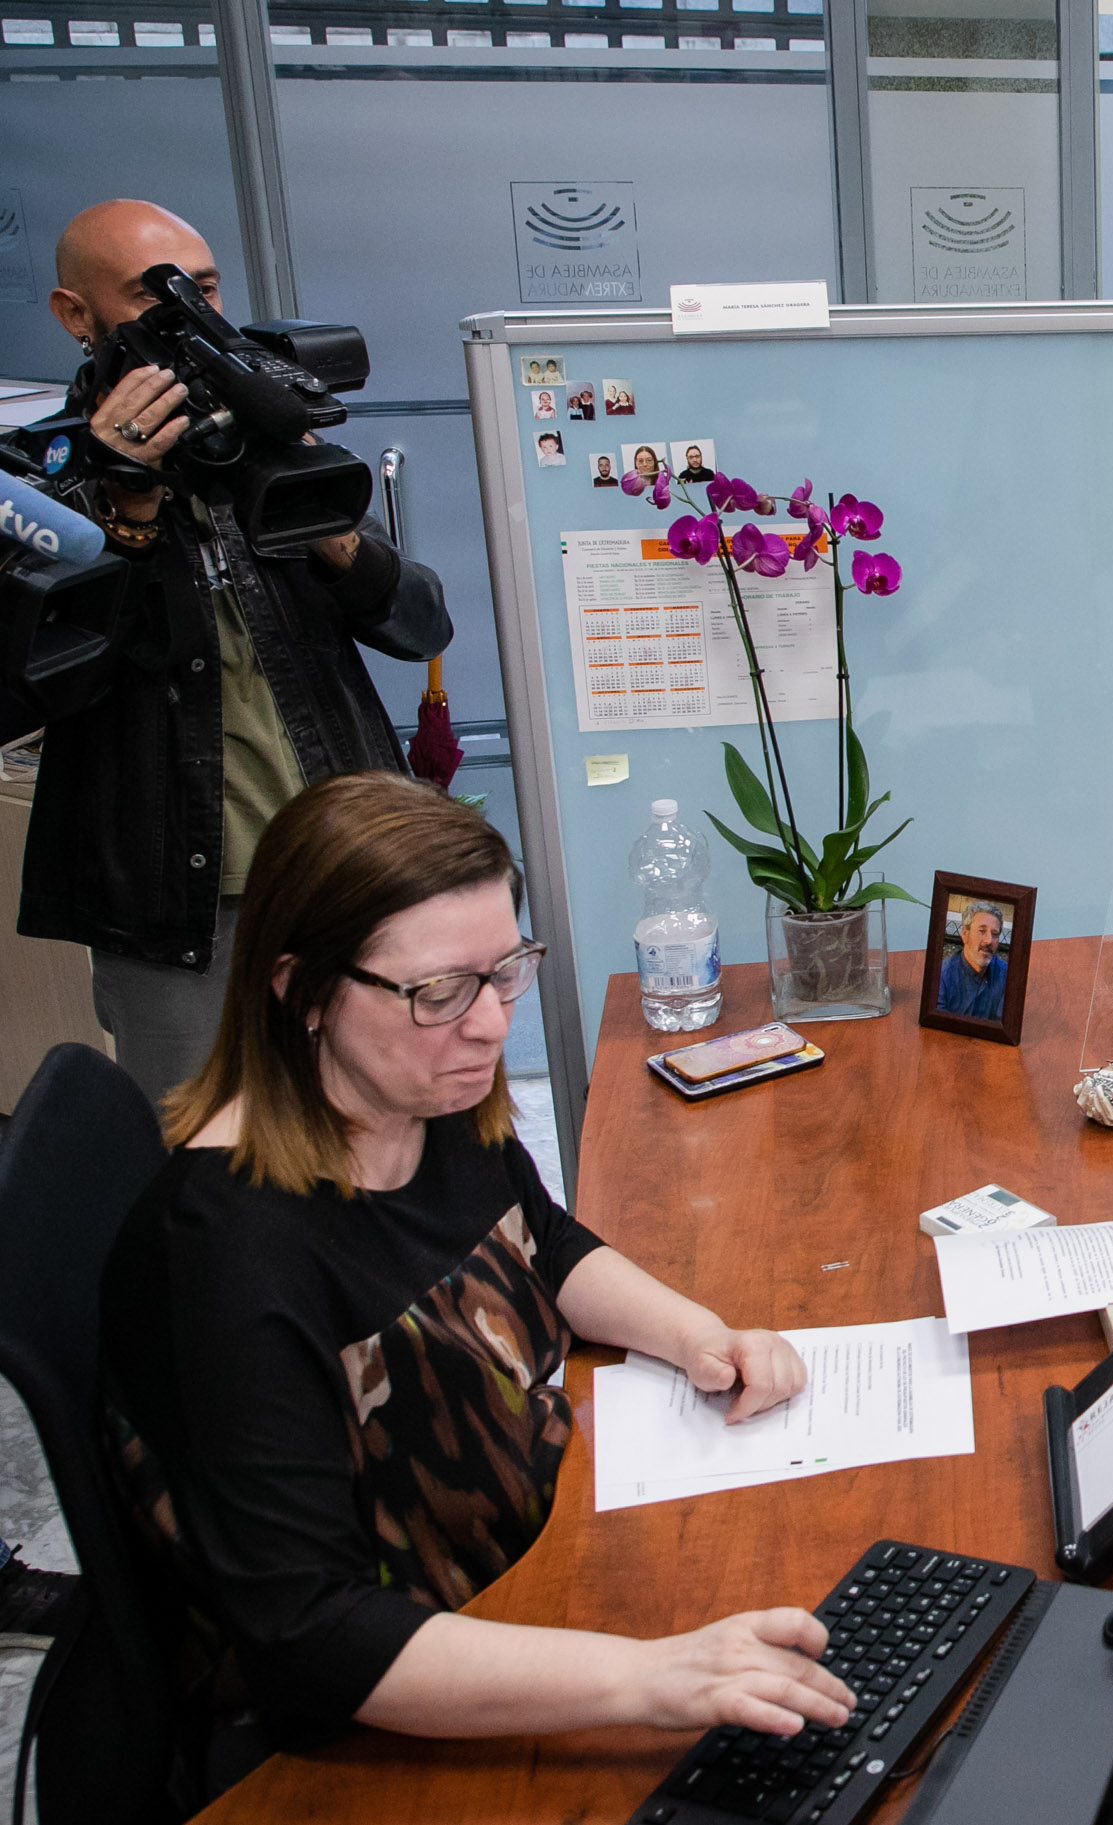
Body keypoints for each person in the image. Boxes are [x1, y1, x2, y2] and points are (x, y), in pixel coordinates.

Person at [101, 772, 853, 1795]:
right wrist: (653, 1675)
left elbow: (541, 1245)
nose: (493, 1024)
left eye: (504, 971)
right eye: (439, 991)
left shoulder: (421, 1091)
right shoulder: (223, 1255)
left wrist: (699, 1336)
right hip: (390, 1712)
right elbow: (314, 1635)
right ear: (300, 990)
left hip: (534, 1561)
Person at [7, 201, 449, 1105]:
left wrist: (321, 519)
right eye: (151, 294)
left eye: (203, 288)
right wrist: (118, 504)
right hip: (179, 911)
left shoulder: (260, 440)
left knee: (392, 1124)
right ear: (74, 314)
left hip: (344, 867)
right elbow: (30, 685)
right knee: (211, 1161)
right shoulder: (37, 479)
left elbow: (419, 624)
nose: (188, 316)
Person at [935, 901, 1008, 1019]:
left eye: (994, 934)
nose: (988, 940)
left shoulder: (1007, 976)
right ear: (965, 934)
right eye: (982, 931)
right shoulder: (942, 977)